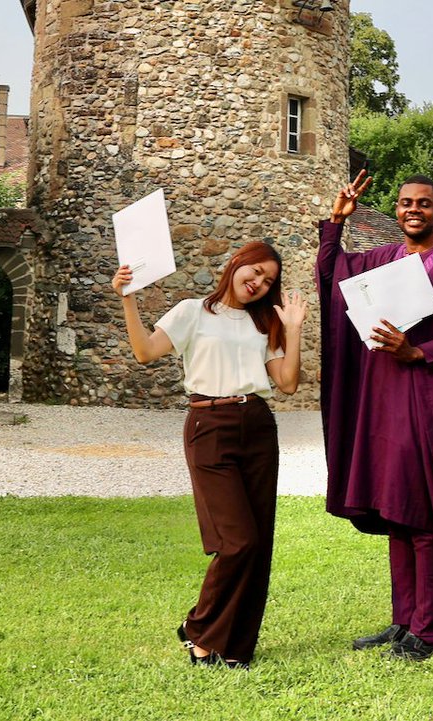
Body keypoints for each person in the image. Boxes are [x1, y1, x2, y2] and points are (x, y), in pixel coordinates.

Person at [316, 170, 433, 661]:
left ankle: (428, 631)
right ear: (396, 210)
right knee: (396, 514)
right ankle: (403, 622)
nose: (413, 209)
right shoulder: (383, 261)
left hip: (425, 407)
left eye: (423, 203)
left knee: (423, 519)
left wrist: (419, 352)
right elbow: (332, 277)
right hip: (382, 405)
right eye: (404, 203)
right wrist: (336, 221)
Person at [112, 242, 307, 670]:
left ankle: (234, 645)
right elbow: (145, 351)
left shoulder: (264, 323)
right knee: (238, 541)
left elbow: (288, 383)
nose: (258, 283)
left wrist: (292, 331)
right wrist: (127, 298)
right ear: (236, 263)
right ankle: (199, 629)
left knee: (258, 544)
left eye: (268, 281)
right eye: (254, 271)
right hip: (209, 426)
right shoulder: (191, 311)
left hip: (257, 426)